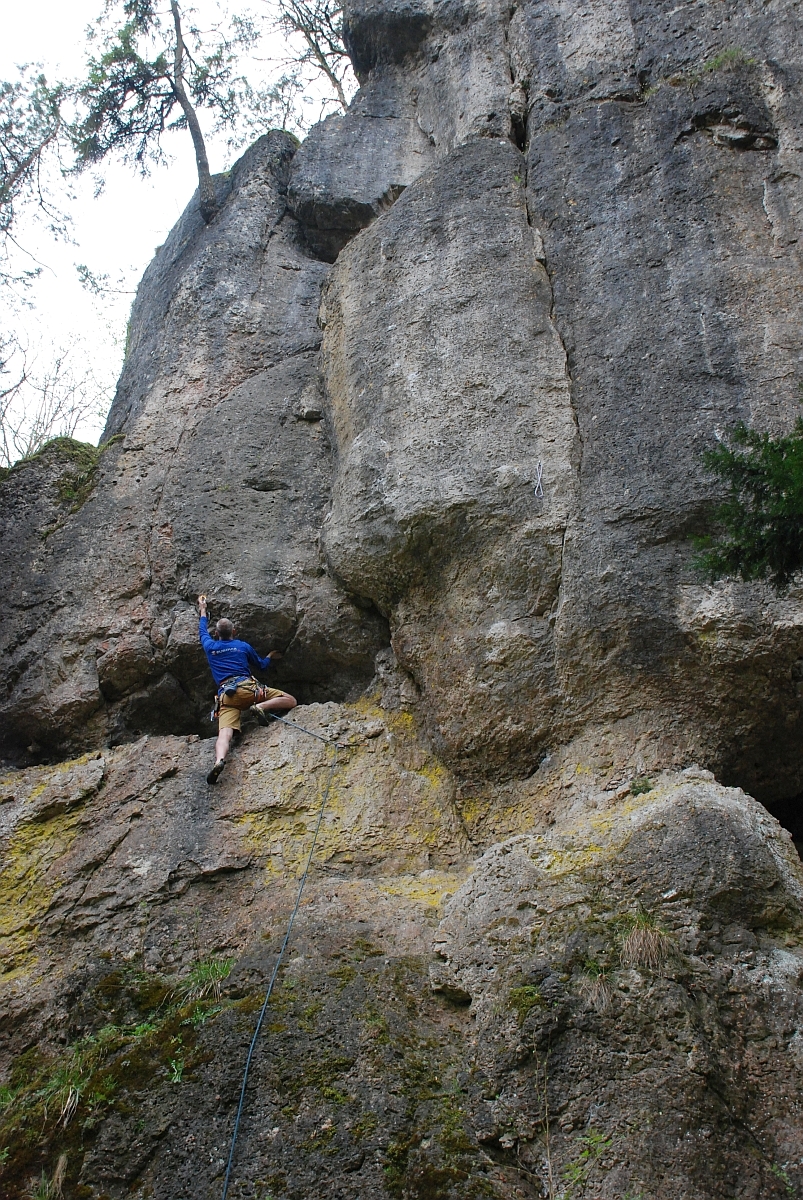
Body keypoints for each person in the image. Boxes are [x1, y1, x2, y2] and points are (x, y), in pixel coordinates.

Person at [198, 594, 297, 784]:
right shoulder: (242, 646)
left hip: (227, 698)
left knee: (224, 734)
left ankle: (219, 760)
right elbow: (261, 666)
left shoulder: (210, 646)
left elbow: (202, 630)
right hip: (248, 690)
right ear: (234, 631)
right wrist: (269, 656)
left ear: (217, 634)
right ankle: (262, 708)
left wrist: (203, 609)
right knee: (290, 700)